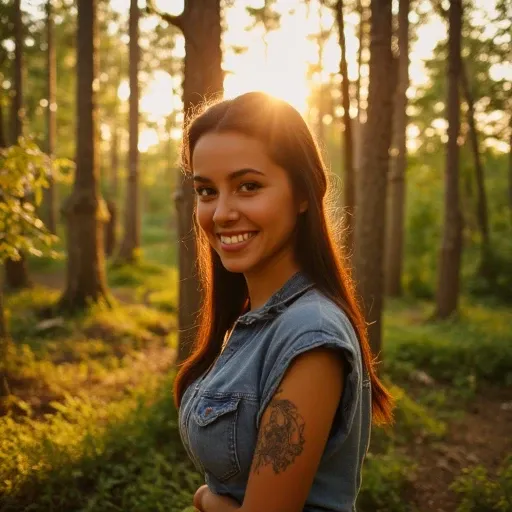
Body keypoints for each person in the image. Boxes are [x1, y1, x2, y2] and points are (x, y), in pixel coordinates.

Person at [175, 91, 394, 512]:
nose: (221, 213)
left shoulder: (310, 336)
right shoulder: (256, 317)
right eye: (206, 191)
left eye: (248, 186)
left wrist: (205, 499)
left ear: (303, 194)